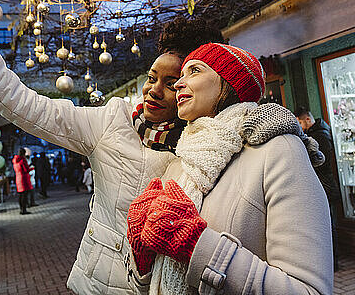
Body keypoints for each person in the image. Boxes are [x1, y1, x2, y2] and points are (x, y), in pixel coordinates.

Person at [0, 0, 226, 295]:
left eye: (171, 83)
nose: (153, 90)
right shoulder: (112, 123)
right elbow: (20, 102)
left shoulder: (213, 145)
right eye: (151, 77)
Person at [127, 43, 333, 294]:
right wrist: (144, 258)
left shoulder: (279, 151)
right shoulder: (180, 163)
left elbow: (310, 289)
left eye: (194, 71)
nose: (179, 84)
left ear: (230, 82)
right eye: (181, 76)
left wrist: (198, 245)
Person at [295, 106, 341, 271]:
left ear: (307, 119)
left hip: (325, 186)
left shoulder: (319, 136)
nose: (300, 126)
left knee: (327, 226)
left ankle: (332, 263)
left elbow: (321, 163)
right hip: (325, 185)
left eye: (300, 122)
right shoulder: (319, 132)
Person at [13, 148, 34, 215]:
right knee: (24, 195)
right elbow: (26, 170)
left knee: (20, 195)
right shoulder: (22, 160)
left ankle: (21, 209)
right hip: (24, 179)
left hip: (18, 178)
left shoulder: (15, 160)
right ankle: (24, 210)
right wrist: (32, 168)